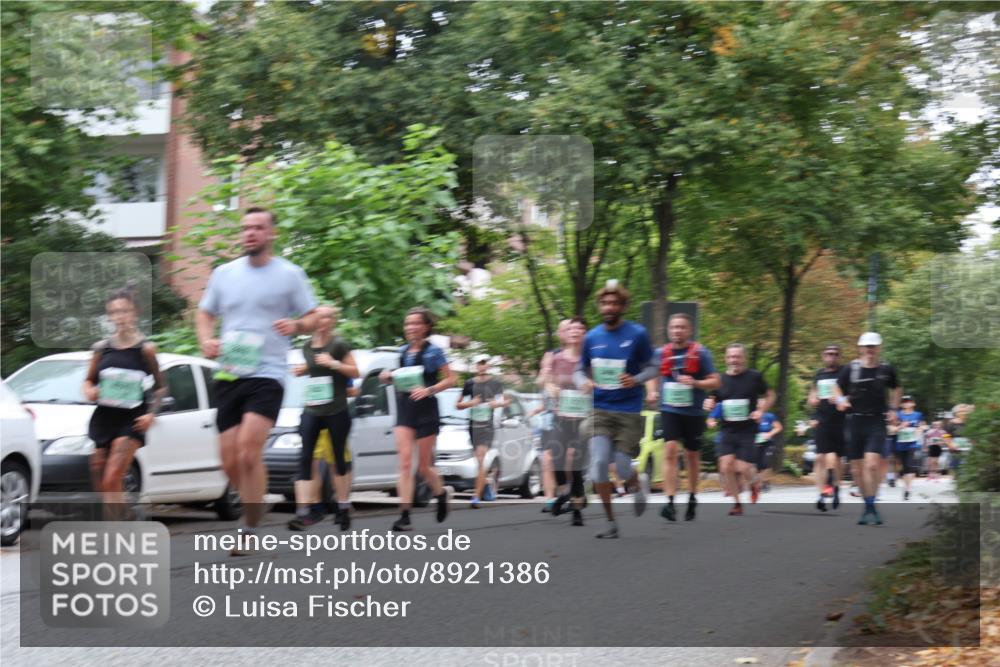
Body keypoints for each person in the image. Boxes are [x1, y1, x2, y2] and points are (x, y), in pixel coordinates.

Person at [197, 207, 320, 555]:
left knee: (249, 451)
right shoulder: (224, 273)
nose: (250, 233)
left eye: (258, 227)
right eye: (246, 227)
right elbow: (205, 313)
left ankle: (249, 527)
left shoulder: (289, 275)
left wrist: (296, 326)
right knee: (229, 461)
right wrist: (207, 339)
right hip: (230, 371)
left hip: (268, 373)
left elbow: (312, 316)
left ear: (271, 234)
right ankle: (255, 501)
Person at [577, 281, 657, 539]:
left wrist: (637, 379)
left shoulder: (637, 334)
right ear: (600, 306)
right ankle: (611, 523)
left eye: (614, 303)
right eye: (604, 303)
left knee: (622, 468)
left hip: (629, 410)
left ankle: (637, 480)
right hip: (600, 408)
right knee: (599, 464)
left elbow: (654, 367)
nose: (609, 307)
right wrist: (584, 382)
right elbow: (580, 369)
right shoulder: (592, 337)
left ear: (622, 306)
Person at [83, 286, 166, 520]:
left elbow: (161, 387)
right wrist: (90, 391)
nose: (120, 317)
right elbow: (88, 381)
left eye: (125, 311)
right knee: (100, 476)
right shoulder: (101, 349)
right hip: (104, 418)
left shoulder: (146, 350)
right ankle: (123, 517)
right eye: (114, 312)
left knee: (112, 477)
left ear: (135, 313)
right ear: (109, 316)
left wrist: (151, 414)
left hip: (131, 420)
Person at [379, 307, 456, 532]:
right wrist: (387, 377)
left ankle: (441, 495)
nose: (410, 327)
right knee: (404, 463)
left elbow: (451, 379)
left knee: (423, 467)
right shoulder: (403, 352)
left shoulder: (435, 352)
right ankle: (405, 515)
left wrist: (429, 389)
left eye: (415, 323)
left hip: (426, 411)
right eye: (407, 324)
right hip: (405, 410)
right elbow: (402, 378)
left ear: (426, 327)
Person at [287, 305, 359, 531]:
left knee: (338, 458)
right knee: (305, 457)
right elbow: (316, 370)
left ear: (333, 321)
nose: (325, 320)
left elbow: (356, 372)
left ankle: (344, 507)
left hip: (336, 410)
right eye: (321, 316)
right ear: (314, 320)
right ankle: (304, 511)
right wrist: (303, 370)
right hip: (312, 408)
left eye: (329, 316)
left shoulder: (338, 344)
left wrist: (334, 363)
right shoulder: (307, 347)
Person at [646, 314, 721, 522]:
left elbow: (715, 381)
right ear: (669, 330)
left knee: (691, 456)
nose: (677, 331)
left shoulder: (700, 353)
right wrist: (652, 391)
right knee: (670, 450)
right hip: (669, 409)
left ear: (689, 330)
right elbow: (651, 375)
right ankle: (669, 502)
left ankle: (692, 496)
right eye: (673, 327)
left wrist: (696, 383)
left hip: (694, 412)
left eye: (681, 327)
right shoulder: (661, 353)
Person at [834, 332, 901, 526]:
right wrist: (840, 400)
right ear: (861, 348)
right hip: (855, 422)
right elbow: (837, 388)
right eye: (866, 346)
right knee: (856, 470)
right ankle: (868, 505)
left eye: (873, 346)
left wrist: (894, 409)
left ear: (879, 348)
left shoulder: (886, 369)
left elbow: (897, 388)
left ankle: (871, 504)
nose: (870, 350)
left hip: (877, 421)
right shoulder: (851, 369)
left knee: (871, 464)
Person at [711, 344, 775, 516]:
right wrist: (709, 406)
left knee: (744, 468)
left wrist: (761, 411)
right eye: (731, 357)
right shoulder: (720, 380)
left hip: (748, 430)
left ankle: (754, 482)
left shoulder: (754, 377)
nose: (734, 360)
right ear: (726, 359)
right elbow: (714, 400)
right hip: (727, 430)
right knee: (726, 466)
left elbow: (771, 395)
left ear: (744, 358)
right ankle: (737, 503)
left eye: (737, 356)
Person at [544, 317, 590, 526]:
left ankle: (577, 510)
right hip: (561, 416)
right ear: (566, 333)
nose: (575, 331)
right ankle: (564, 492)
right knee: (556, 458)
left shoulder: (590, 358)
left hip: (583, 418)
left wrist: (592, 385)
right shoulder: (556, 358)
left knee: (577, 465)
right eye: (571, 328)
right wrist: (551, 388)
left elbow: (601, 381)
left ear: (585, 334)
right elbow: (546, 380)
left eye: (580, 328)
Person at [456, 355, 508, 508]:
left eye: (484, 363)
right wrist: (471, 403)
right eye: (479, 363)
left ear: (488, 365)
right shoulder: (469, 383)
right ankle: (485, 484)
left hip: (487, 426)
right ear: (475, 366)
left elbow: (504, 402)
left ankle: (475, 496)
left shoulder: (496, 383)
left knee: (480, 458)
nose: (481, 366)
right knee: (478, 462)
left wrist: (495, 404)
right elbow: (457, 405)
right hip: (473, 426)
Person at [536, 320, 571, 512]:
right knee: (547, 457)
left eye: (570, 329)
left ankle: (570, 493)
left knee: (569, 458)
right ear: (559, 333)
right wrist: (547, 374)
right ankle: (551, 498)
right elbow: (541, 381)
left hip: (575, 414)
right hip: (552, 414)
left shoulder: (582, 354)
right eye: (563, 329)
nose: (567, 332)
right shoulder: (552, 355)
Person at [807, 344, 846, 512]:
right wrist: (813, 398)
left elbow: (852, 393)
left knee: (836, 458)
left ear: (839, 356)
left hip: (840, 420)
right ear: (824, 356)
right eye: (829, 354)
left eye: (835, 354)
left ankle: (836, 486)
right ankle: (822, 494)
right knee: (820, 457)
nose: (832, 357)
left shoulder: (844, 373)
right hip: (822, 419)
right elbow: (812, 394)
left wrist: (839, 399)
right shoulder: (819, 374)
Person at [894, 395, 925, 501]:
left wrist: (920, 429)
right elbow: (893, 428)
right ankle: (906, 487)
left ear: (913, 403)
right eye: (904, 402)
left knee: (909, 464)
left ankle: (908, 488)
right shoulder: (898, 415)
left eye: (909, 401)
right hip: (901, 443)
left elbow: (922, 425)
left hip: (913, 443)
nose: (907, 403)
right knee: (904, 467)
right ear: (901, 404)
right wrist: (901, 426)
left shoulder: (918, 415)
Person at [754, 410, 782, 493]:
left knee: (765, 462)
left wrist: (770, 434)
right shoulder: (752, 416)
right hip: (756, 444)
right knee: (758, 465)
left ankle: (763, 483)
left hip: (768, 444)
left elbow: (779, 427)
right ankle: (763, 482)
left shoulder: (769, 416)